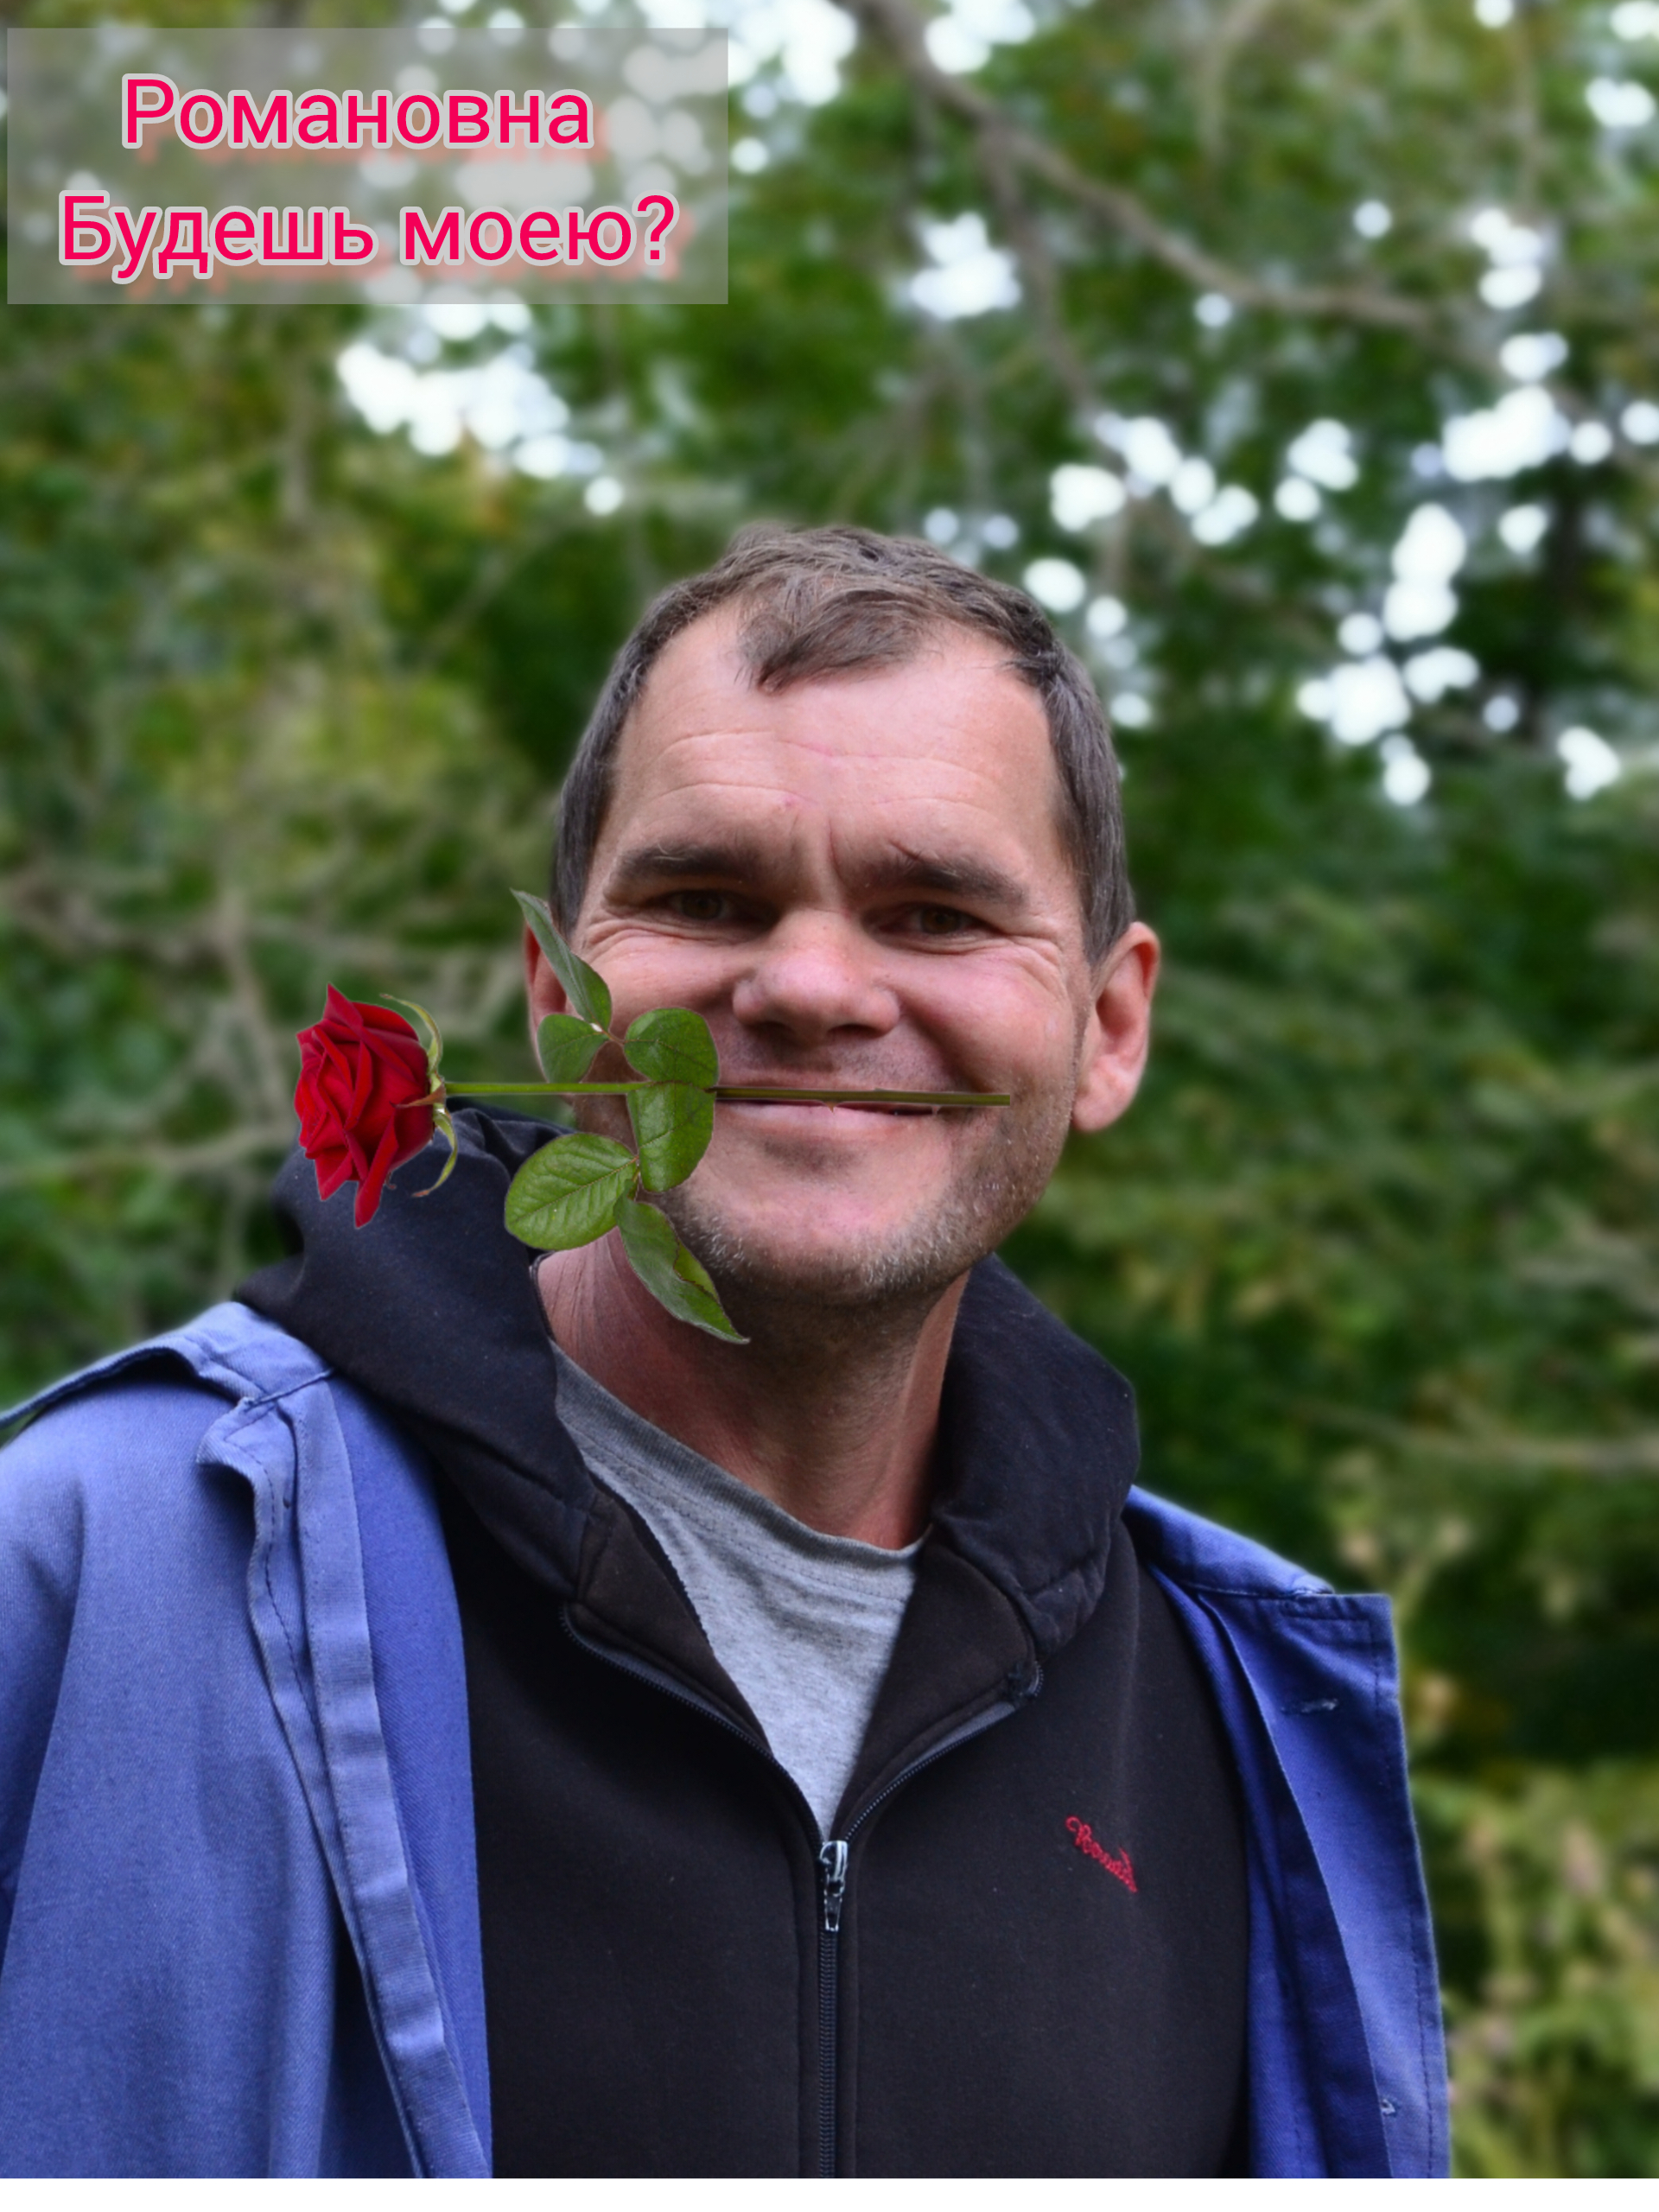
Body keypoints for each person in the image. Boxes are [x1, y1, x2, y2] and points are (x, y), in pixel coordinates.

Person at [0, 526, 1447, 2178]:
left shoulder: (1238, 1723)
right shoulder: (101, 1563)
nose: (811, 987)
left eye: (936, 913)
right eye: (705, 899)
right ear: (557, 992)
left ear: (1108, 1026)